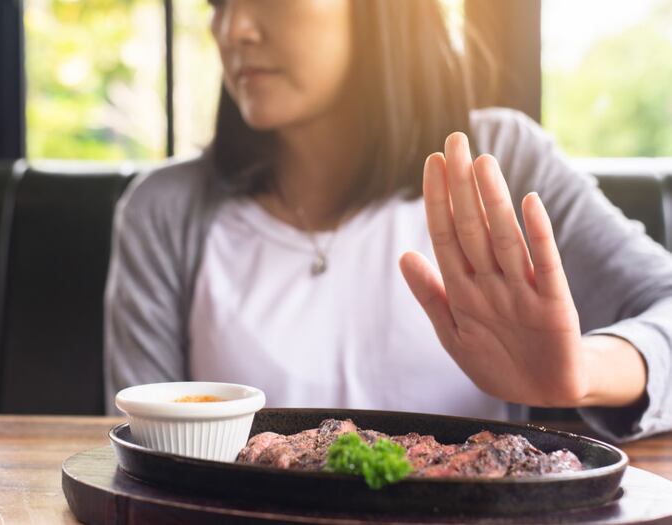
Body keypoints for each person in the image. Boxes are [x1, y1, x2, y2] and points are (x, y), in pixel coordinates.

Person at [104, 0, 672, 442]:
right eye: (217, 3)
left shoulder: (503, 161)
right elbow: (142, 450)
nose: (234, 30)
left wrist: (581, 373)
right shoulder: (164, 210)